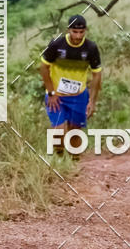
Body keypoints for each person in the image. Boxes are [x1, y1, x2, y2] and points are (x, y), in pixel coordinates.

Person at [39, 14, 102, 154]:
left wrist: (92, 100)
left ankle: (74, 163)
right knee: (58, 132)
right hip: (57, 96)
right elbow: (43, 68)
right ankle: (59, 161)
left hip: (78, 97)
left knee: (75, 133)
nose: (78, 36)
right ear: (68, 30)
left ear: (86, 30)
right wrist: (51, 93)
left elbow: (97, 74)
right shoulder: (56, 44)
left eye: (81, 32)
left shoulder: (91, 48)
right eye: (75, 32)